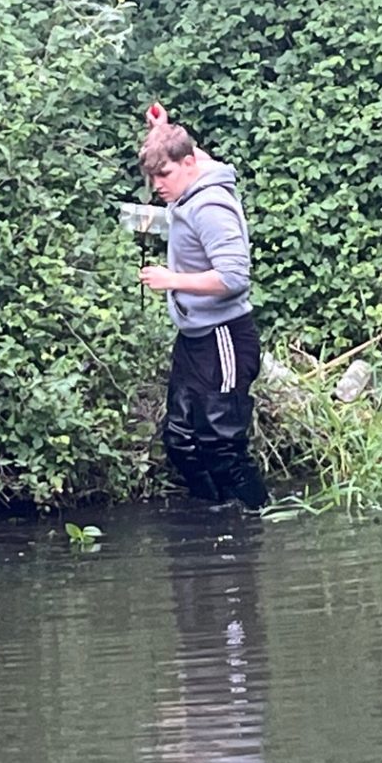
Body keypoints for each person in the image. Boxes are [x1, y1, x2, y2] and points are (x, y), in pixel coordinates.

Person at [137, 104, 269, 510]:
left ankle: (256, 519)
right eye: (151, 176)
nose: (157, 185)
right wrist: (162, 130)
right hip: (194, 337)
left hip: (224, 335)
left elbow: (234, 278)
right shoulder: (192, 173)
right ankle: (215, 522)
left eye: (164, 175)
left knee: (222, 446)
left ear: (189, 164)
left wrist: (170, 280)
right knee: (180, 440)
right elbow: (188, 150)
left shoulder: (210, 206)